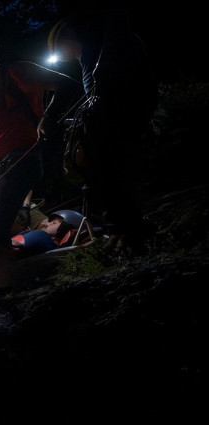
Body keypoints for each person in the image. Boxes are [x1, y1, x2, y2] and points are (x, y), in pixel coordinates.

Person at [0, 31, 81, 299]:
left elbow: (67, 83)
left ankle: (3, 296)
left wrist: (50, 117)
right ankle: (4, 289)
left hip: (19, 161)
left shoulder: (15, 72)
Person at [46, 10, 159, 253]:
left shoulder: (98, 48)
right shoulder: (92, 53)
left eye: (57, 48)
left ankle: (124, 230)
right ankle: (125, 227)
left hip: (117, 114)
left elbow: (113, 84)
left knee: (106, 170)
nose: (57, 55)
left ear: (66, 39)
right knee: (110, 171)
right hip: (119, 113)